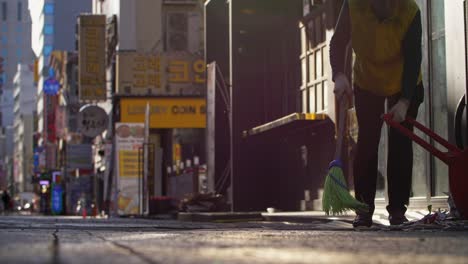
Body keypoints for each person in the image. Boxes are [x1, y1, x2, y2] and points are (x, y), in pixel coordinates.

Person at [330, 0, 424, 227]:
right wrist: (339, 75)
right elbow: (338, 41)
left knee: (400, 142)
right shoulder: (353, 5)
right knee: (367, 142)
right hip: (367, 80)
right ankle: (363, 210)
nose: (387, 6)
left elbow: (413, 58)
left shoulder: (410, 11)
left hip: (403, 82)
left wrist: (404, 101)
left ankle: (397, 211)